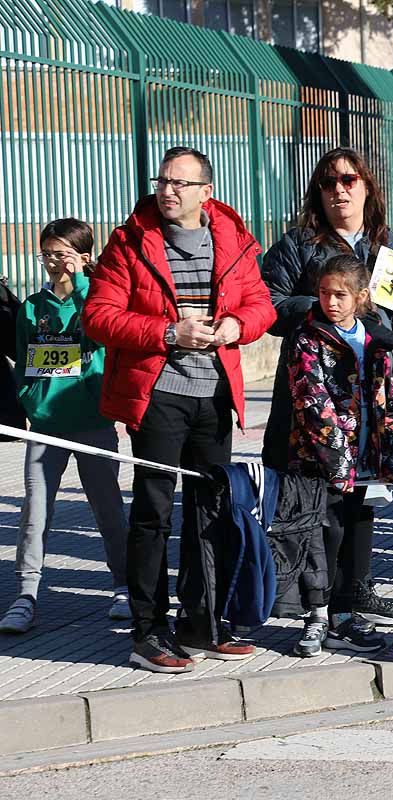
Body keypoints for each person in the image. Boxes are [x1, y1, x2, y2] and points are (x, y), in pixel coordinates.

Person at [82, 146, 276, 673]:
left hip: (215, 393)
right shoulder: (130, 240)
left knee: (210, 511)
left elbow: (262, 303)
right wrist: (168, 333)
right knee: (153, 512)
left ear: (205, 192)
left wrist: (239, 326)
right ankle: (148, 631)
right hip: (157, 392)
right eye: (163, 181)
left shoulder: (232, 237)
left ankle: (202, 622)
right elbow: (98, 316)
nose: (168, 191)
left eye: (180, 184)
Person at [260, 147, 393, 628]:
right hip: (316, 394)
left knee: (364, 496)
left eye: (350, 180)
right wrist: (328, 305)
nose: (339, 189)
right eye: (329, 182)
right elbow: (267, 304)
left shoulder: (390, 245)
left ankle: (358, 590)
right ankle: (318, 602)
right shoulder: (299, 243)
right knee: (323, 502)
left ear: (368, 187)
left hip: (371, 394)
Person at [0, 220, 129, 635]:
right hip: (45, 427)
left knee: (107, 510)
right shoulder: (32, 308)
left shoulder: (98, 302)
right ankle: (25, 594)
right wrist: (29, 398)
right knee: (35, 513)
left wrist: (84, 287)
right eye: (48, 254)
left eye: (63, 254)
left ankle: (123, 586)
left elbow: (106, 338)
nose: (54, 262)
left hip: (93, 423)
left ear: (84, 257)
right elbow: (23, 360)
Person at [285, 256, 393, 656]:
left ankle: (347, 612)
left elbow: (388, 398)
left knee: (359, 528)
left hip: (366, 459)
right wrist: (337, 459)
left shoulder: (375, 339)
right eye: (324, 293)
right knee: (326, 533)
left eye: (340, 294)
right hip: (323, 461)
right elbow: (311, 402)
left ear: (361, 296)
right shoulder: (307, 338)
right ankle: (317, 615)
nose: (330, 302)